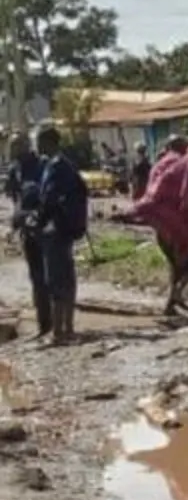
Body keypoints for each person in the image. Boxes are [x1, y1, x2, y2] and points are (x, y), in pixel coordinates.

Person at [127, 135, 188, 316]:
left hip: (162, 225)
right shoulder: (185, 164)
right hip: (178, 225)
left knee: (175, 265)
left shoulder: (158, 165)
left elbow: (151, 194)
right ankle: (177, 294)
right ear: (180, 146)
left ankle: (170, 305)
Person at [32, 127, 88, 344]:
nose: (36, 146)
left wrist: (36, 220)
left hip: (56, 231)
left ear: (47, 141)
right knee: (66, 278)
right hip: (64, 230)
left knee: (56, 280)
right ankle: (67, 328)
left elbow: (49, 200)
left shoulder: (55, 167)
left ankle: (59, 332)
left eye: (38, 141)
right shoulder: (65, 165)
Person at [5, 134, 49, 336]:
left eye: (15, 146)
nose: (12, 150)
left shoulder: (42, 165)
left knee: (48, 275)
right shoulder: (15, 170)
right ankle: (43, 323)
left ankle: (53, 323)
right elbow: (15, 198)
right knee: (36, 276)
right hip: (26, 228)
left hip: (44, 227)